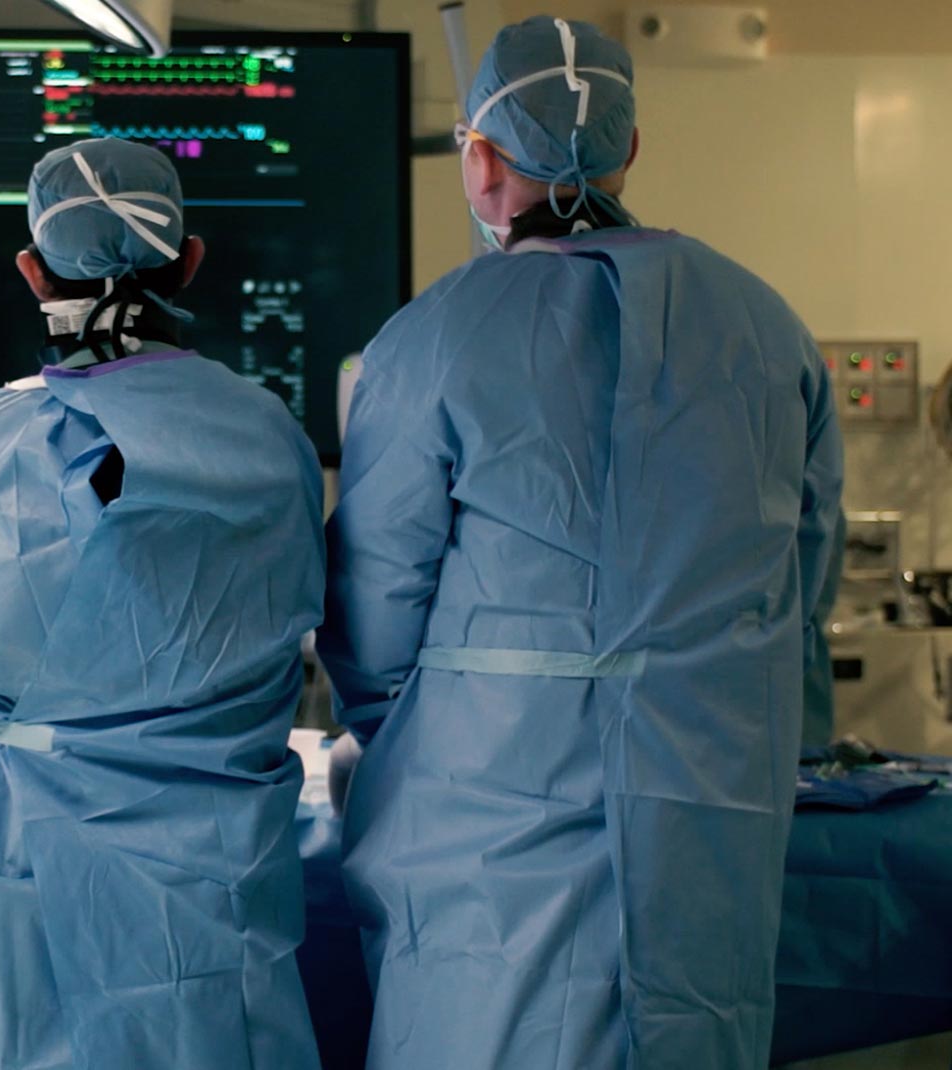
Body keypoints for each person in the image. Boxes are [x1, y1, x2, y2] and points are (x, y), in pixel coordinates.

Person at [320, 17, 844, 1070]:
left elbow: (373, 624)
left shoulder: (431, 339)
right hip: (708, 807)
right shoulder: (769, 327)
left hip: (491, 823)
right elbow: (804, 581)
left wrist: (410, 737)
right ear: (629, 148)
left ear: (480, 162)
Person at [0, 137, 327, 1070]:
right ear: (189, 262)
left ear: (33, 272)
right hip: (209, 878)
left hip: (13, 873)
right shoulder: (272, 440)